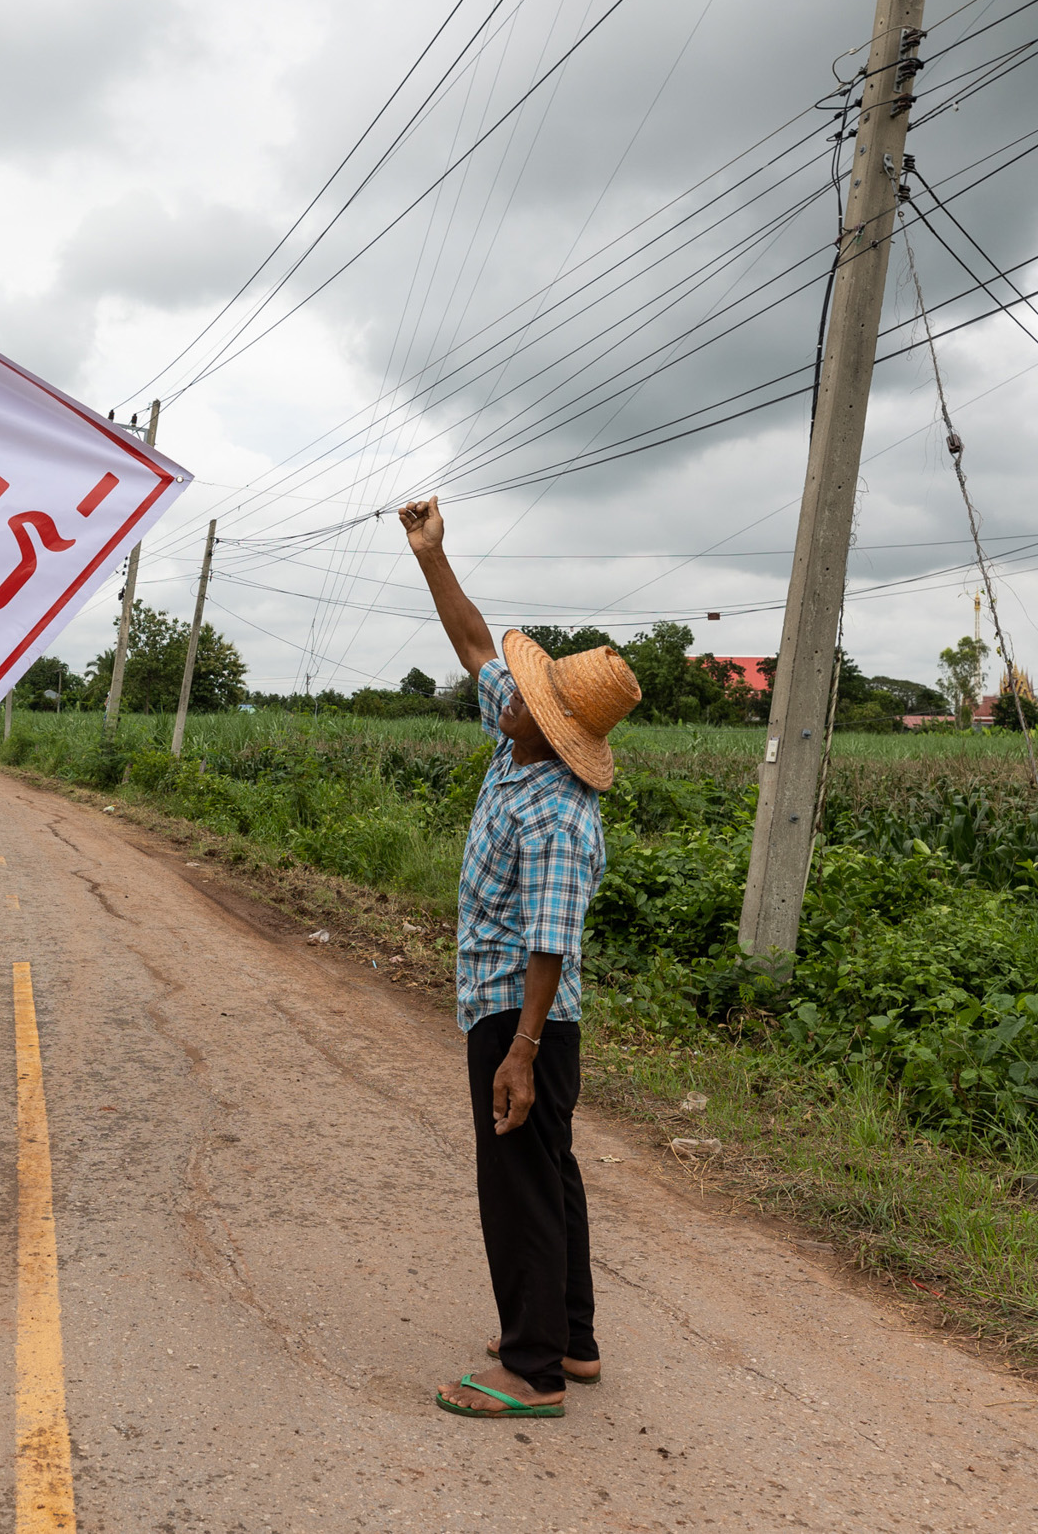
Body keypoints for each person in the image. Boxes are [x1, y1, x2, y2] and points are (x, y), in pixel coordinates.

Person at [398, 494, 641, 1420]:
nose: (510, 694)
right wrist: (432, 554)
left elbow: (550, 945)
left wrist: (521, 1053)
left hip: (522, 1015)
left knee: (518, 1184)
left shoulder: (559, 816)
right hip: (511, 1009)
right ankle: (571, 1338)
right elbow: (472, 642)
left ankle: (533, 1369)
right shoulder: (520, 740)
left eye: (528, 697)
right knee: (549, 1170)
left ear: (555, 727)